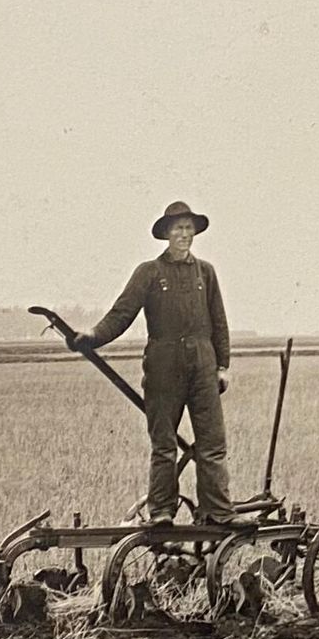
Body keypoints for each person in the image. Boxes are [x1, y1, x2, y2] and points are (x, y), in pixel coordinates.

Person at [71, 199, 235, 525]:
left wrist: (223, 366)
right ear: (166, 233)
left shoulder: (206, 272)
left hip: (203, 365)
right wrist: (92, 336)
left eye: (189, 228)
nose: (185, 234)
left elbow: (219, 321)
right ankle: (161, 512)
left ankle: (217, 512)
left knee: (212, 444)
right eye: (178, 229)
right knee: (164, 444)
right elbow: (121, 314)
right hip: (163, 366)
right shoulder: (149, 272)